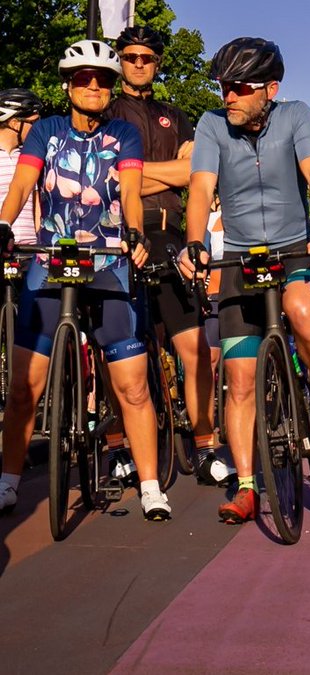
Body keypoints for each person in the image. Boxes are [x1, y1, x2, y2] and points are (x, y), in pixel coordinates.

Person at [177, 37, 310, 525]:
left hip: (294, 250)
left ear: (270, 89)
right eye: (223, 86)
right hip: (239, 261)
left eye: (239, 87)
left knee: (301, 307)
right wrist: (194, 243)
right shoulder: (212, 125)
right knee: (241, 380)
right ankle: (248, 486)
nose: (227, 95)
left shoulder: (296, 116)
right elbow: (201, 187)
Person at [0, 40, 163, 519]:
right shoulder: (45, 131)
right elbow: (23, 184)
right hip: (50, 258)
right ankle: (8, 481)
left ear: (112, 87)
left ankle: (152, 485)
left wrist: (133, 232)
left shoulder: (125, 133)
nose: (93, 86)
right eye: (82, 78)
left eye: (103, 79)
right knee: (23, 387)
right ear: (67, 84)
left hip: (109, 261)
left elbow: (131, 191)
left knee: (132, 386)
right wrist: (5, 224)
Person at [107, 25, 228, 487]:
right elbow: (113, 184)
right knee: (119, 351)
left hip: (171, 236)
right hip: (120, 237)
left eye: (148, 57)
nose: (139, 63)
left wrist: (135, 174)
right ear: (121, 59)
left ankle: (204, 445)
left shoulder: (176, 117)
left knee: (194, 348)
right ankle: (118, 444)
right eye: (132, 56)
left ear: (157, 62)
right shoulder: (107, 113)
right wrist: (168, 175)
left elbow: (196, 177)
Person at [0, 89, 43, 247]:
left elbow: (36, 205)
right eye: (34, 123)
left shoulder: (28, 157)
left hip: (29, 251)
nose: (38, 128)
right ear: (14, 123)